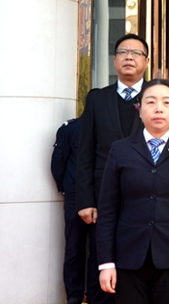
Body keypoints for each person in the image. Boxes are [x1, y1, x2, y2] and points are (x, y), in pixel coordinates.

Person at [96, 79, 169, 304]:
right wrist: (106, 263)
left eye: (167, 102)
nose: (159, 108)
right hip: (128, 256)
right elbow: (108, 209)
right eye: (151, 102)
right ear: (140, 110)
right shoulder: (120, 150)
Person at [76, 33, 152, 304]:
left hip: (144, 198)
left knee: (138, 266)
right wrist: (85, 200)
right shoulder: (97, 99)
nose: (129, 57)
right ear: (114, 60)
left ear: (146, 61)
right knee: (101, 263)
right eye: (123, 52)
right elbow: (85, 153)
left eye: (136, 53)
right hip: (102, 199)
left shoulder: (157, 97)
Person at [51, 90, 97, 304]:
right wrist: (66, 189)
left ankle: (95, 296)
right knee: (74, 249)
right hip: (75, 199)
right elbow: (58, 163)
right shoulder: (70, 129)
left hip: (102, 199)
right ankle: (74, 297)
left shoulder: (108, 131)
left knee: (98, 251)